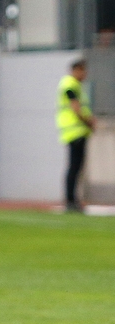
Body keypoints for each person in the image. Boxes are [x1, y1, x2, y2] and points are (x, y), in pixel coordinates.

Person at [56, 58, 96, 212]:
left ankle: (72, 199)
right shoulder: (70, 84)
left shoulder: (74, 85)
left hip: (75, 131)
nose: (85, 74)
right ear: (76, 70)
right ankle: (71, 200)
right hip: (75, 131)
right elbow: (76, 108)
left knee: (75, 167)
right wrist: (89, 121)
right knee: (74, 167)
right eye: (83, 70)